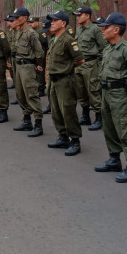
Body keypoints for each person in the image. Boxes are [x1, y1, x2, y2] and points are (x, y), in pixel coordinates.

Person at [94, 13, 127, 183]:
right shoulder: (107, 48)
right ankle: (114, 159)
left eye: (106, 27)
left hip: (120, 94)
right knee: (109, 127)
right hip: (106, 93)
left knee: (125, 128)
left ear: (116, 29)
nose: (103, 30)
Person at [46, 10, 85, 156]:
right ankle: (62, 136)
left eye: (55, 20)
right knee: (55, 110)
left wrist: (67, 69)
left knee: (68, 111)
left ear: (63, 23)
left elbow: (80, 59)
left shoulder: (69, 40)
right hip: (54, 80)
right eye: (52, 20)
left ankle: (75, 141)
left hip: (65, 81)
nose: (52, 23)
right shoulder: (53, 40)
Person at [11, 7, 45, 137]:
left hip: (28, 67)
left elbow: (39, 52)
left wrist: (37, 66)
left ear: (24, 18)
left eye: (17, 17)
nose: (15, 20)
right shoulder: (18, 32)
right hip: (19, 66)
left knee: (31, 94)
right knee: (20, 94)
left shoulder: (31, 33)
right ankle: (26, 120)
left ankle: (38, 124)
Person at [73, 5, 106, 131]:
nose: (77, 17)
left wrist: (99, 61)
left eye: (79, 15)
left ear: (87, 15)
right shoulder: (79, 29)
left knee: (93, 90)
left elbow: (103, 46)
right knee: (80, 91)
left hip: (90, 64)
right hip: (79, 65)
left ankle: (99, 118)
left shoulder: (95, 29)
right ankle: (85, 115)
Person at [28, 16, 48, 97]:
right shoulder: (31, 31)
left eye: (32, 22)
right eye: (30, 23)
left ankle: (41, 88)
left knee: (40, 71)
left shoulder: (41, 31)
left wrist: (43, 52)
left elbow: (45, 43)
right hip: (33, 54)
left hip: (40, 54)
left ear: (37, 22)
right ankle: (36, 86)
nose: (30, 24)